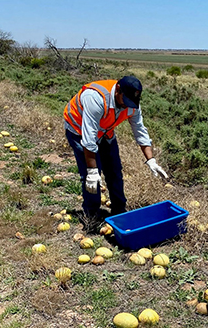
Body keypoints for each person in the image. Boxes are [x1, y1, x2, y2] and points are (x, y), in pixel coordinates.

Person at [64, 76, 168, 224]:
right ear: (118, 90)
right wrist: (93, 172)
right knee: (91, 177)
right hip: (78, 129)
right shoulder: (96, 99)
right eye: (125, 102)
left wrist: (151, 160)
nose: (127, 106)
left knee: (114, 171)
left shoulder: (131, 104)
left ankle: (119, 212)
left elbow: (140, 131)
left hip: (105, 131)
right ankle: (92, 216)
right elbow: (88, 140)